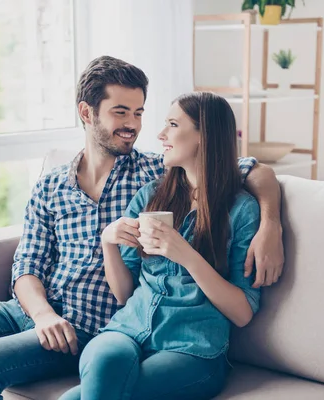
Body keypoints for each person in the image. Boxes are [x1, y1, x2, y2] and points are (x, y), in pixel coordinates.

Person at [0, 56, 283, 399]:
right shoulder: (53, 183)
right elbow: (27, 265)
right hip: (32, 312)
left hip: (87, 327)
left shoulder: (156, 175)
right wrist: (42, 313)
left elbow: (243, 170)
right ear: (87, 113)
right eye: (120, 112)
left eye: (139, 112)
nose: (135, 125)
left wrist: (270, 223)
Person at [58, 91, 261, 400]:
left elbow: (242, 312)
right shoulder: (150, 196)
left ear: (202, 136)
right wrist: (108, 242)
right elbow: (125, 293)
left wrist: (187, 256)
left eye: (173, 125)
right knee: (104, 360)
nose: (160, 134)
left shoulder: (241, 210)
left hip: (193, 347)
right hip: (128, 329)